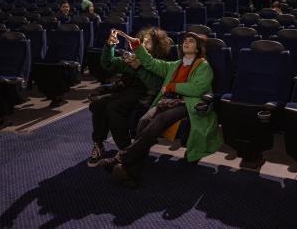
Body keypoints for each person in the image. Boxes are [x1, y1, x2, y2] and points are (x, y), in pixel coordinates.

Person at [99, 31, 223, 187]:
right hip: (169, 102)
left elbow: (198, 89)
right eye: (185, 41)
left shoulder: (203, 66)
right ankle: (131, 173)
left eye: (191, 41)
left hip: (189, 104)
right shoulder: (175, 65)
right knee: (144, 120)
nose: (186, 43)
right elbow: (150, 63)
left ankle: (120, 159)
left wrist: (172, 86)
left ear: (197, 49)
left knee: (161, 119)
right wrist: (136, 44)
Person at [87, 27, 170, 167]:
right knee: (98, 102)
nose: (144, 44)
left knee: (113, 107)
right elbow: (108, 64)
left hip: (141, 95)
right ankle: (98, 143)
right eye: (143, 41)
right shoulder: (131, 56)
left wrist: (139, 67)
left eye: (149, 42)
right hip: (123, 90)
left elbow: (154, 85)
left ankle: (125, 149)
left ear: (157, 45)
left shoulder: (158, 62)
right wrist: (109, 46)